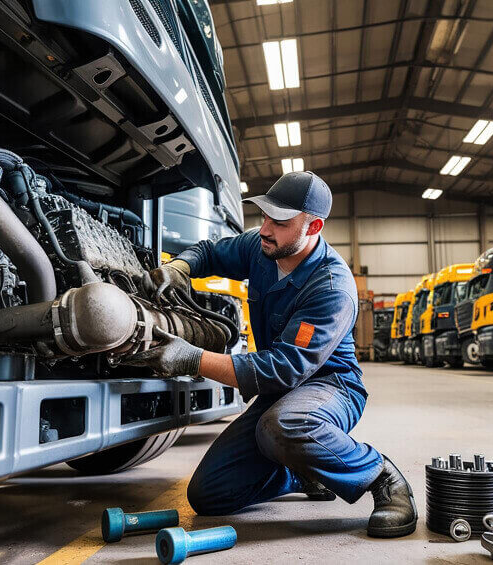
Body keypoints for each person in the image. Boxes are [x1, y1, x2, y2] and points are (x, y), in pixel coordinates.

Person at [126, 171, 416, 538]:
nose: (265, 228)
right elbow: (211, 251)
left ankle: (380, 476)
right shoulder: (261, 248)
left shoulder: (331, 287)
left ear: (313, 227)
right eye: (264, 216)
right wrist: (179, 268)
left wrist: (192, 358)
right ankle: (302, 471)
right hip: (281, 394)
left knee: (281, 425)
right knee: (209, 494)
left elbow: (283, 369)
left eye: (279, 221)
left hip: (331, 387)